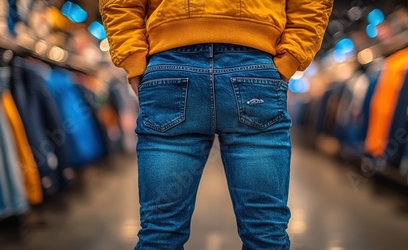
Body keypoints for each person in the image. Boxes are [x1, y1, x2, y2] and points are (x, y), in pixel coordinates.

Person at [100, 1, 333, 249]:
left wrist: (134, 61)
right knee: (266, 232)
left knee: (161, 231)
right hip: (255, 67)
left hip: (170, 67)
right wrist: (290, 59)